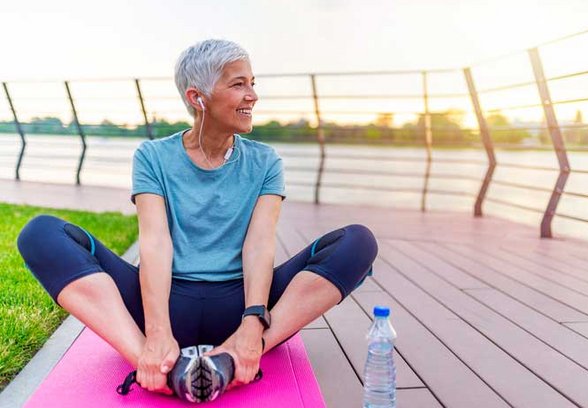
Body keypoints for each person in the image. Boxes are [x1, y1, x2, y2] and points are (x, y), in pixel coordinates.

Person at [17, 39, 378, 401]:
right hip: (162, 305)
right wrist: (157, 332)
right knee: (40, 233)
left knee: (358, 242)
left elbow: (260, 243)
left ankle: (234, 356)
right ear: (197, 97)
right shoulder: (153, 156)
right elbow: (155, 242)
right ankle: (154, 362)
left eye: (253, 83)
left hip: (241, 309)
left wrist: (253, 323)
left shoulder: (266, 162)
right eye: (239, 84)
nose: (252, 95)